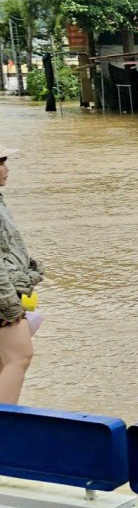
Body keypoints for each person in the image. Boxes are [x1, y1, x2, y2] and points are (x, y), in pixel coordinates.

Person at [0, 146, 40, 404]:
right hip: (4, 300)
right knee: (19, 356)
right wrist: (9, 305)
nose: (7, 169)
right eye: (1, 162)